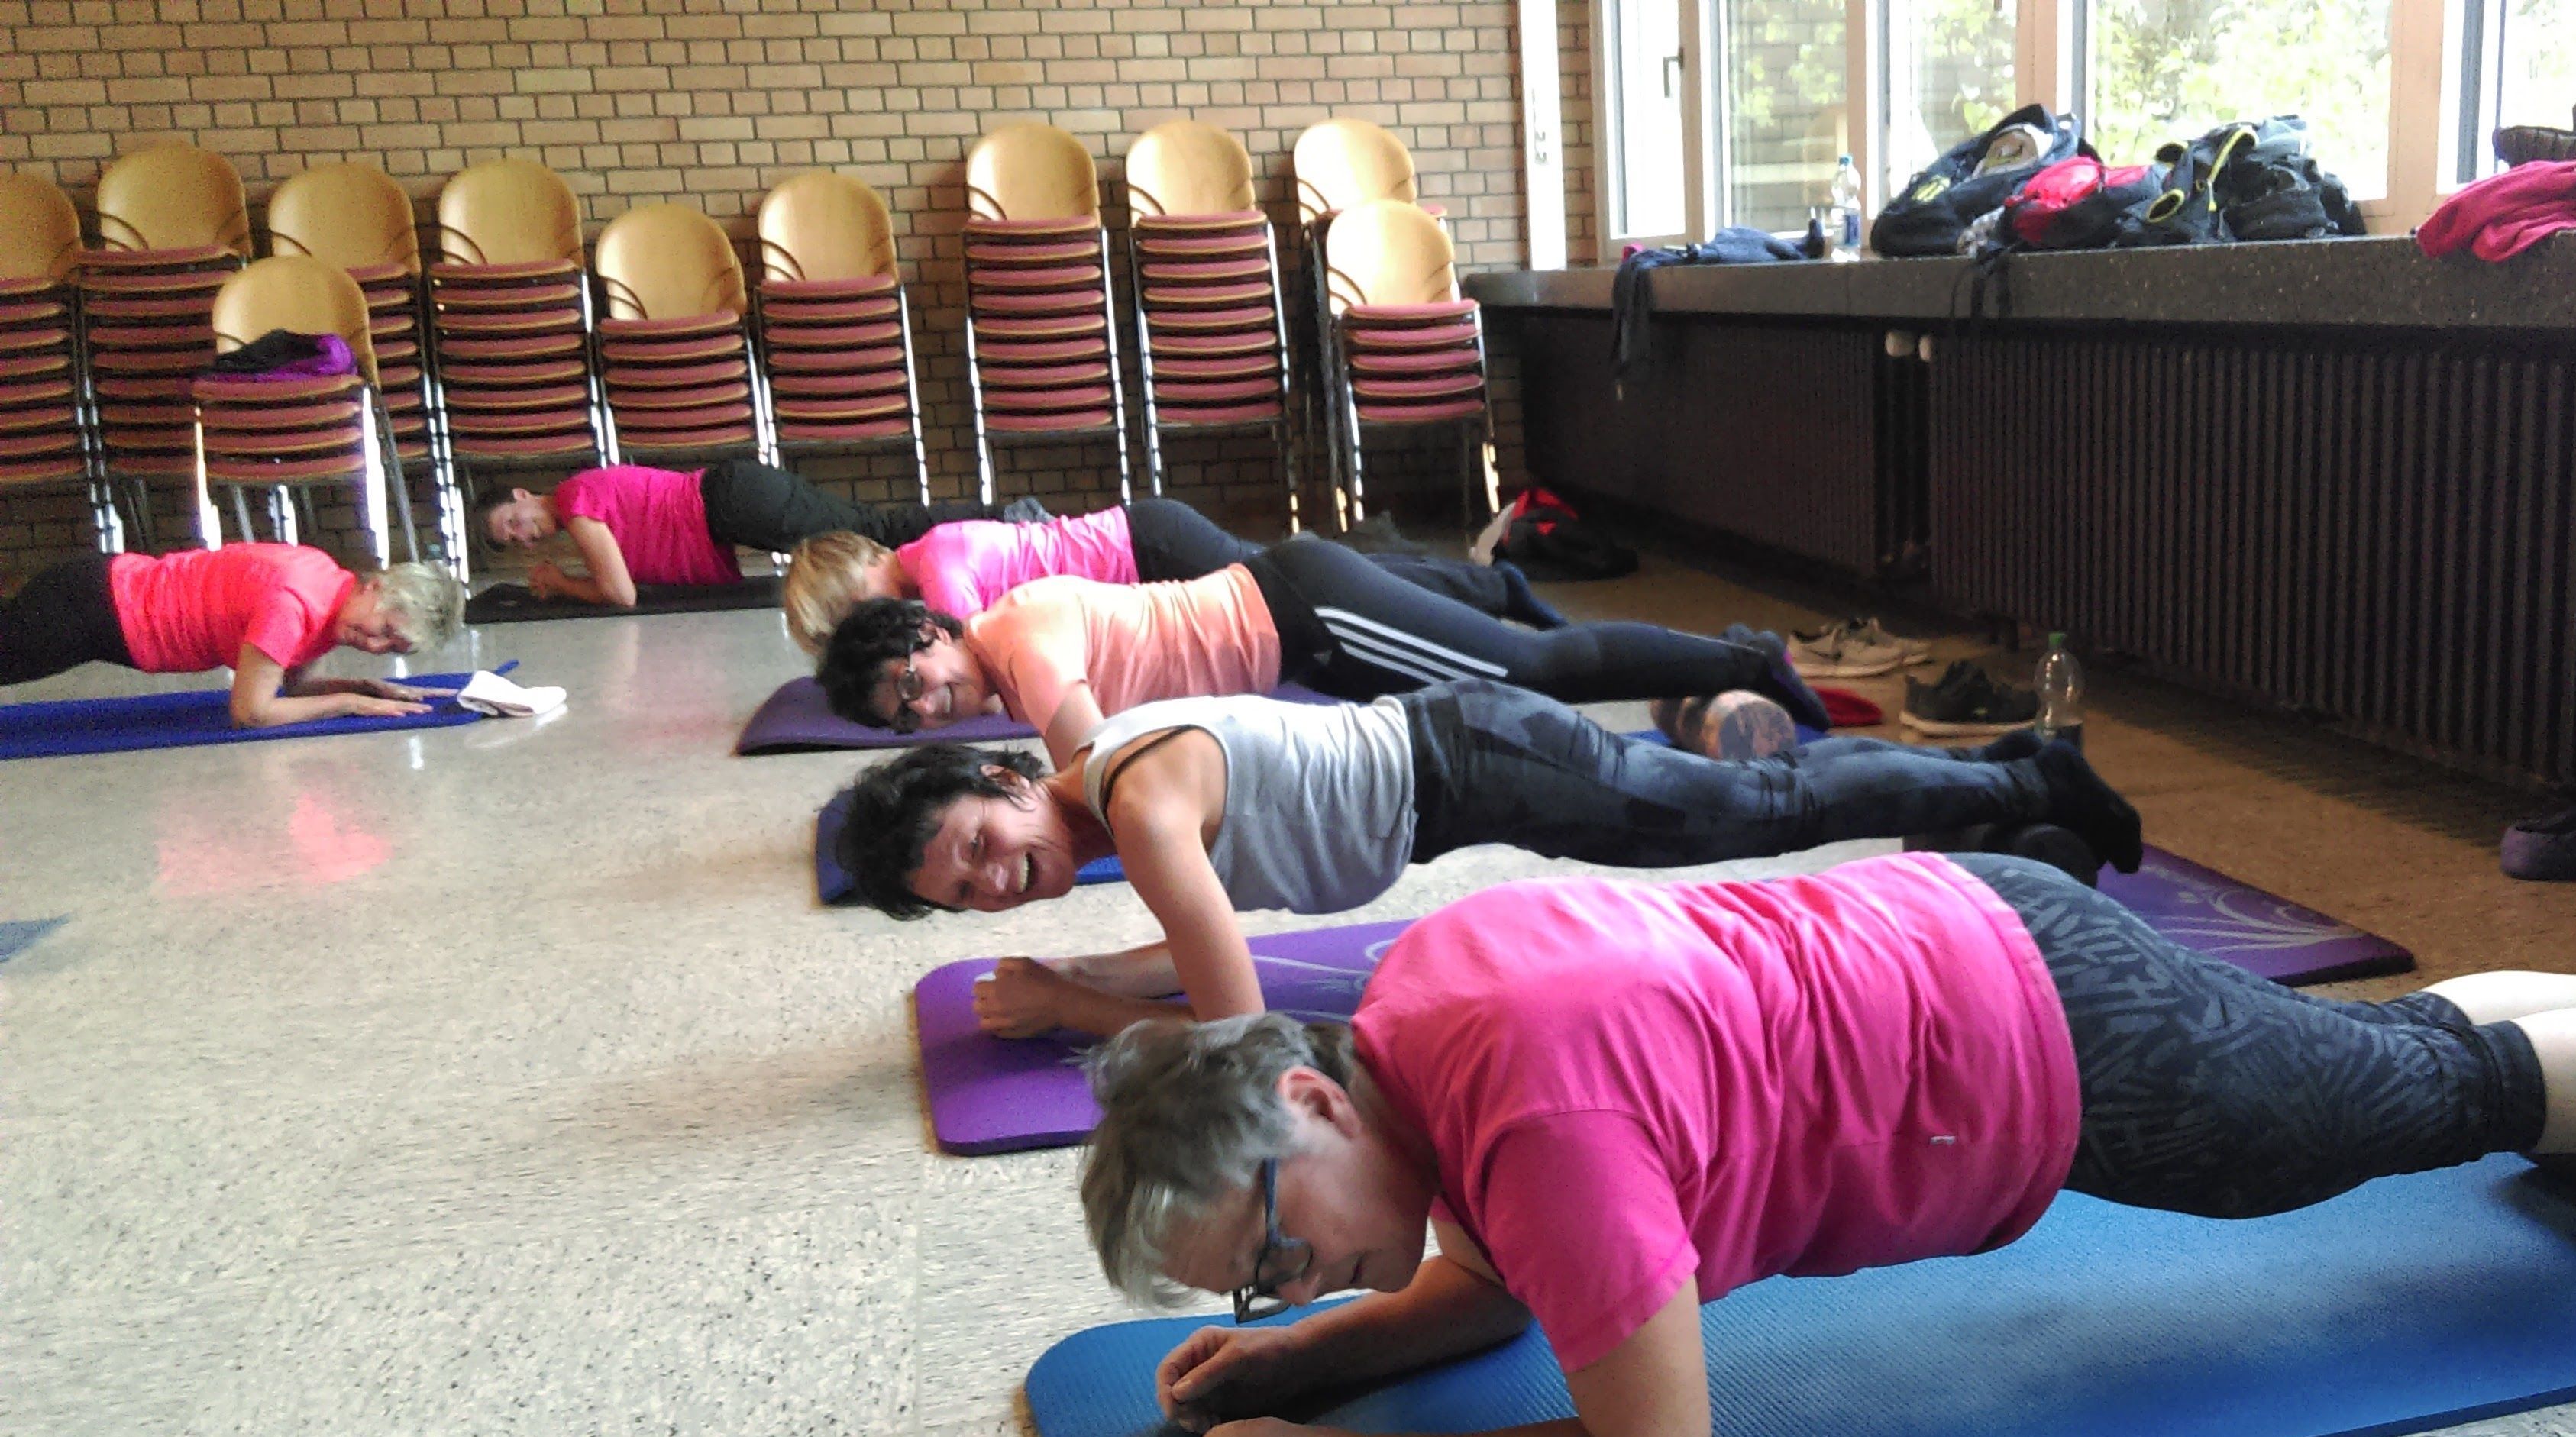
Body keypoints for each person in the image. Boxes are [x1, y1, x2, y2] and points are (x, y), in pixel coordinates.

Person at [1072, 856, 2576, 1437]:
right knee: (2390, 1055)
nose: (1299, 1274)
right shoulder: (1422, 1003)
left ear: (1305, 1093)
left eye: (1277, 1243)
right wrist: (1321, 1358)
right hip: (1971, 924)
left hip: (2053, 1050)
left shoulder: (1543, 1137)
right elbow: (1504, 1273)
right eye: (1258, 1285)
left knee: (2434, 1093)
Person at [832, 686, 2144, 1039]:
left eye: (980, 845)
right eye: (965, 892)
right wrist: (1091, 974)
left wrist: (1072, 1008)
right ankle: (2002, 799)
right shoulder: (1099, 795)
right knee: (1752, 804)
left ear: (1006, 778)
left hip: (1478, 760)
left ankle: (2030, 774)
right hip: (1463, 764)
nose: (995, 881)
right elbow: (1195, 933)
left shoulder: (1141, 803)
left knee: (1758, 808)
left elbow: (1238, 1025)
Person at [813, 537, 1831, 768]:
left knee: (1532, 670)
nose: (927, 708)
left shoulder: (1019, 642)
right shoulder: (999, 656)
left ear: (926, 630)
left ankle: (1743, 661)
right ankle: (1718, 673)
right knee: (1495, 704)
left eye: (913, 682)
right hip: (1301, 646)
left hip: (1310, 612)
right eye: (906, 717)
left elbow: (1094, 764)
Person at [779, 499, 1565, 652]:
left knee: (1324, 587)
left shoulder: (939, 565)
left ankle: (1492, 590)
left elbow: (966, 651)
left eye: (856, 612)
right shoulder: (925, 558)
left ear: (868, 563)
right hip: (1148, 543)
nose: (868, 630)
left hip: (1152, 547)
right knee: (1324, 577)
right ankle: (1487, 590)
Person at [1, 544, 467, 728]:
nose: (375, 645)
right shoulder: (294, 605)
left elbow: (296, 686)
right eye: (386, 630)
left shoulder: (331, 584)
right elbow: (251, 712)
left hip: (103, 590)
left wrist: (364, 687)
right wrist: (350, 703)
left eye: (393, 648)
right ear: (377, 586)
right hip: (95, 610)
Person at [474, 460, 999, 609]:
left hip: (735, 500)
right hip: (735, 502)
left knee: (873, 532)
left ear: (522, 494)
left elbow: (620, 594)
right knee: (872, 533)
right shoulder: (578, 505)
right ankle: (998, 525)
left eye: (513, 522)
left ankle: (1003, 519)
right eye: (514, 541)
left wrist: (561, 583)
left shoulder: (575, 503)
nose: (524, 536)